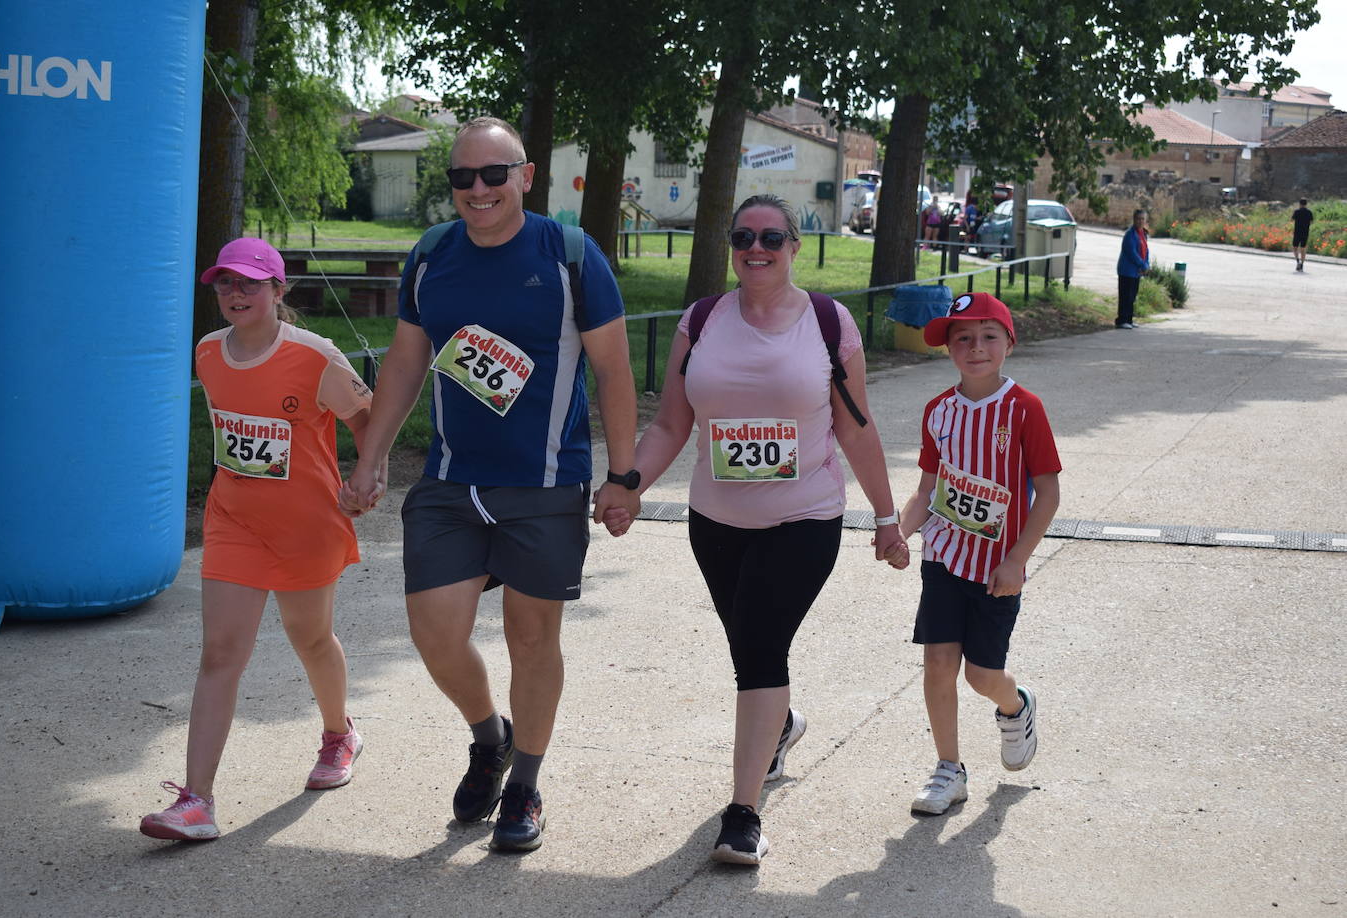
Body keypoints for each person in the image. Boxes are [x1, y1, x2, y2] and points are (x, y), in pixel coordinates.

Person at [340, 117, 639, 853]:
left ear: (525, 176)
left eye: (493, 175)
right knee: (434, 633)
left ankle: (527, 787)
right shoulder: (432, 255)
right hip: (450, 479)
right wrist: (371, 456)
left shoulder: (568, 255)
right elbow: (407, 364)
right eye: (461, 177)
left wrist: (623, 475)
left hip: (542, 484)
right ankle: (489, 738)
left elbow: (614, 371)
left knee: (532, 639)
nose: (477, 190)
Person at [601, 194, 911, 866]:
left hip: (804, 518)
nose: (756, 248)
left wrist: (887, 519)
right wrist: (629, 486)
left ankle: (743, 814)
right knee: (750, 647)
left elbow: (855, 428)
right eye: (742, 236)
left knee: (761, 649)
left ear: (796, 246)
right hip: (716, 522)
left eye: (772, 236)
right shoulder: (703, 319)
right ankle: (783, 727)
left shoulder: (828, 324)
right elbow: (670, 425)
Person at [140, 238, 382, 842]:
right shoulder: (207, 353)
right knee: (220, 654)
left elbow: (368, 420)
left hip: (307, 526)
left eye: (250, 283)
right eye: (224, 284)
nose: (235, 294)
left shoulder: (316, 356)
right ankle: (197, 801)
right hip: (234, 521)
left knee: (311, 638)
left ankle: (338, 735)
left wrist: (365, 475)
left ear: (279, 290)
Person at [896, 292, 1061, 816]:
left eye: (988, 336)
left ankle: (1016, 706)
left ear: (1009, 343)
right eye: (962, 337)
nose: (975, 347)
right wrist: (900, 531)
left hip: (997, 569)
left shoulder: (1024, 409)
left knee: (980, 676)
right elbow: (926, 490)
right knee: (938, 663)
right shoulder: (938, 411)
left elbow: (1049, 493)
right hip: (942, 556)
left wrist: (1016, 560)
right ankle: (949, 769)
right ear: (948, 348)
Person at [1115, 208, 1150, 329]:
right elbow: (1132, 253)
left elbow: (1146, 250)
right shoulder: (1130, 234)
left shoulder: (1142, 233)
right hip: (1127, 270)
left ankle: (1129, 319)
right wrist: (1142, 265)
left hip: (1136, 271)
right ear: (1134, 219)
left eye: (1143, 219)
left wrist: (1146, 264)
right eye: (1138, 219)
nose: (1140, 221)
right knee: (1125, 296)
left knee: (1132, 296)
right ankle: (1121, 320)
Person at [1292, 198, 1314, 271]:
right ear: (1306, 204)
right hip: (1305, 232)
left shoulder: (1297, 212)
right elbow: (1311, 222)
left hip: (1297, 232)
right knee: (1303, 249)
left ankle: (1298, 261)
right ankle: (1302, 264)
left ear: (1300, 204)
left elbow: (1292, 220)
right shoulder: (1309, 212)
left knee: (1295, 248)